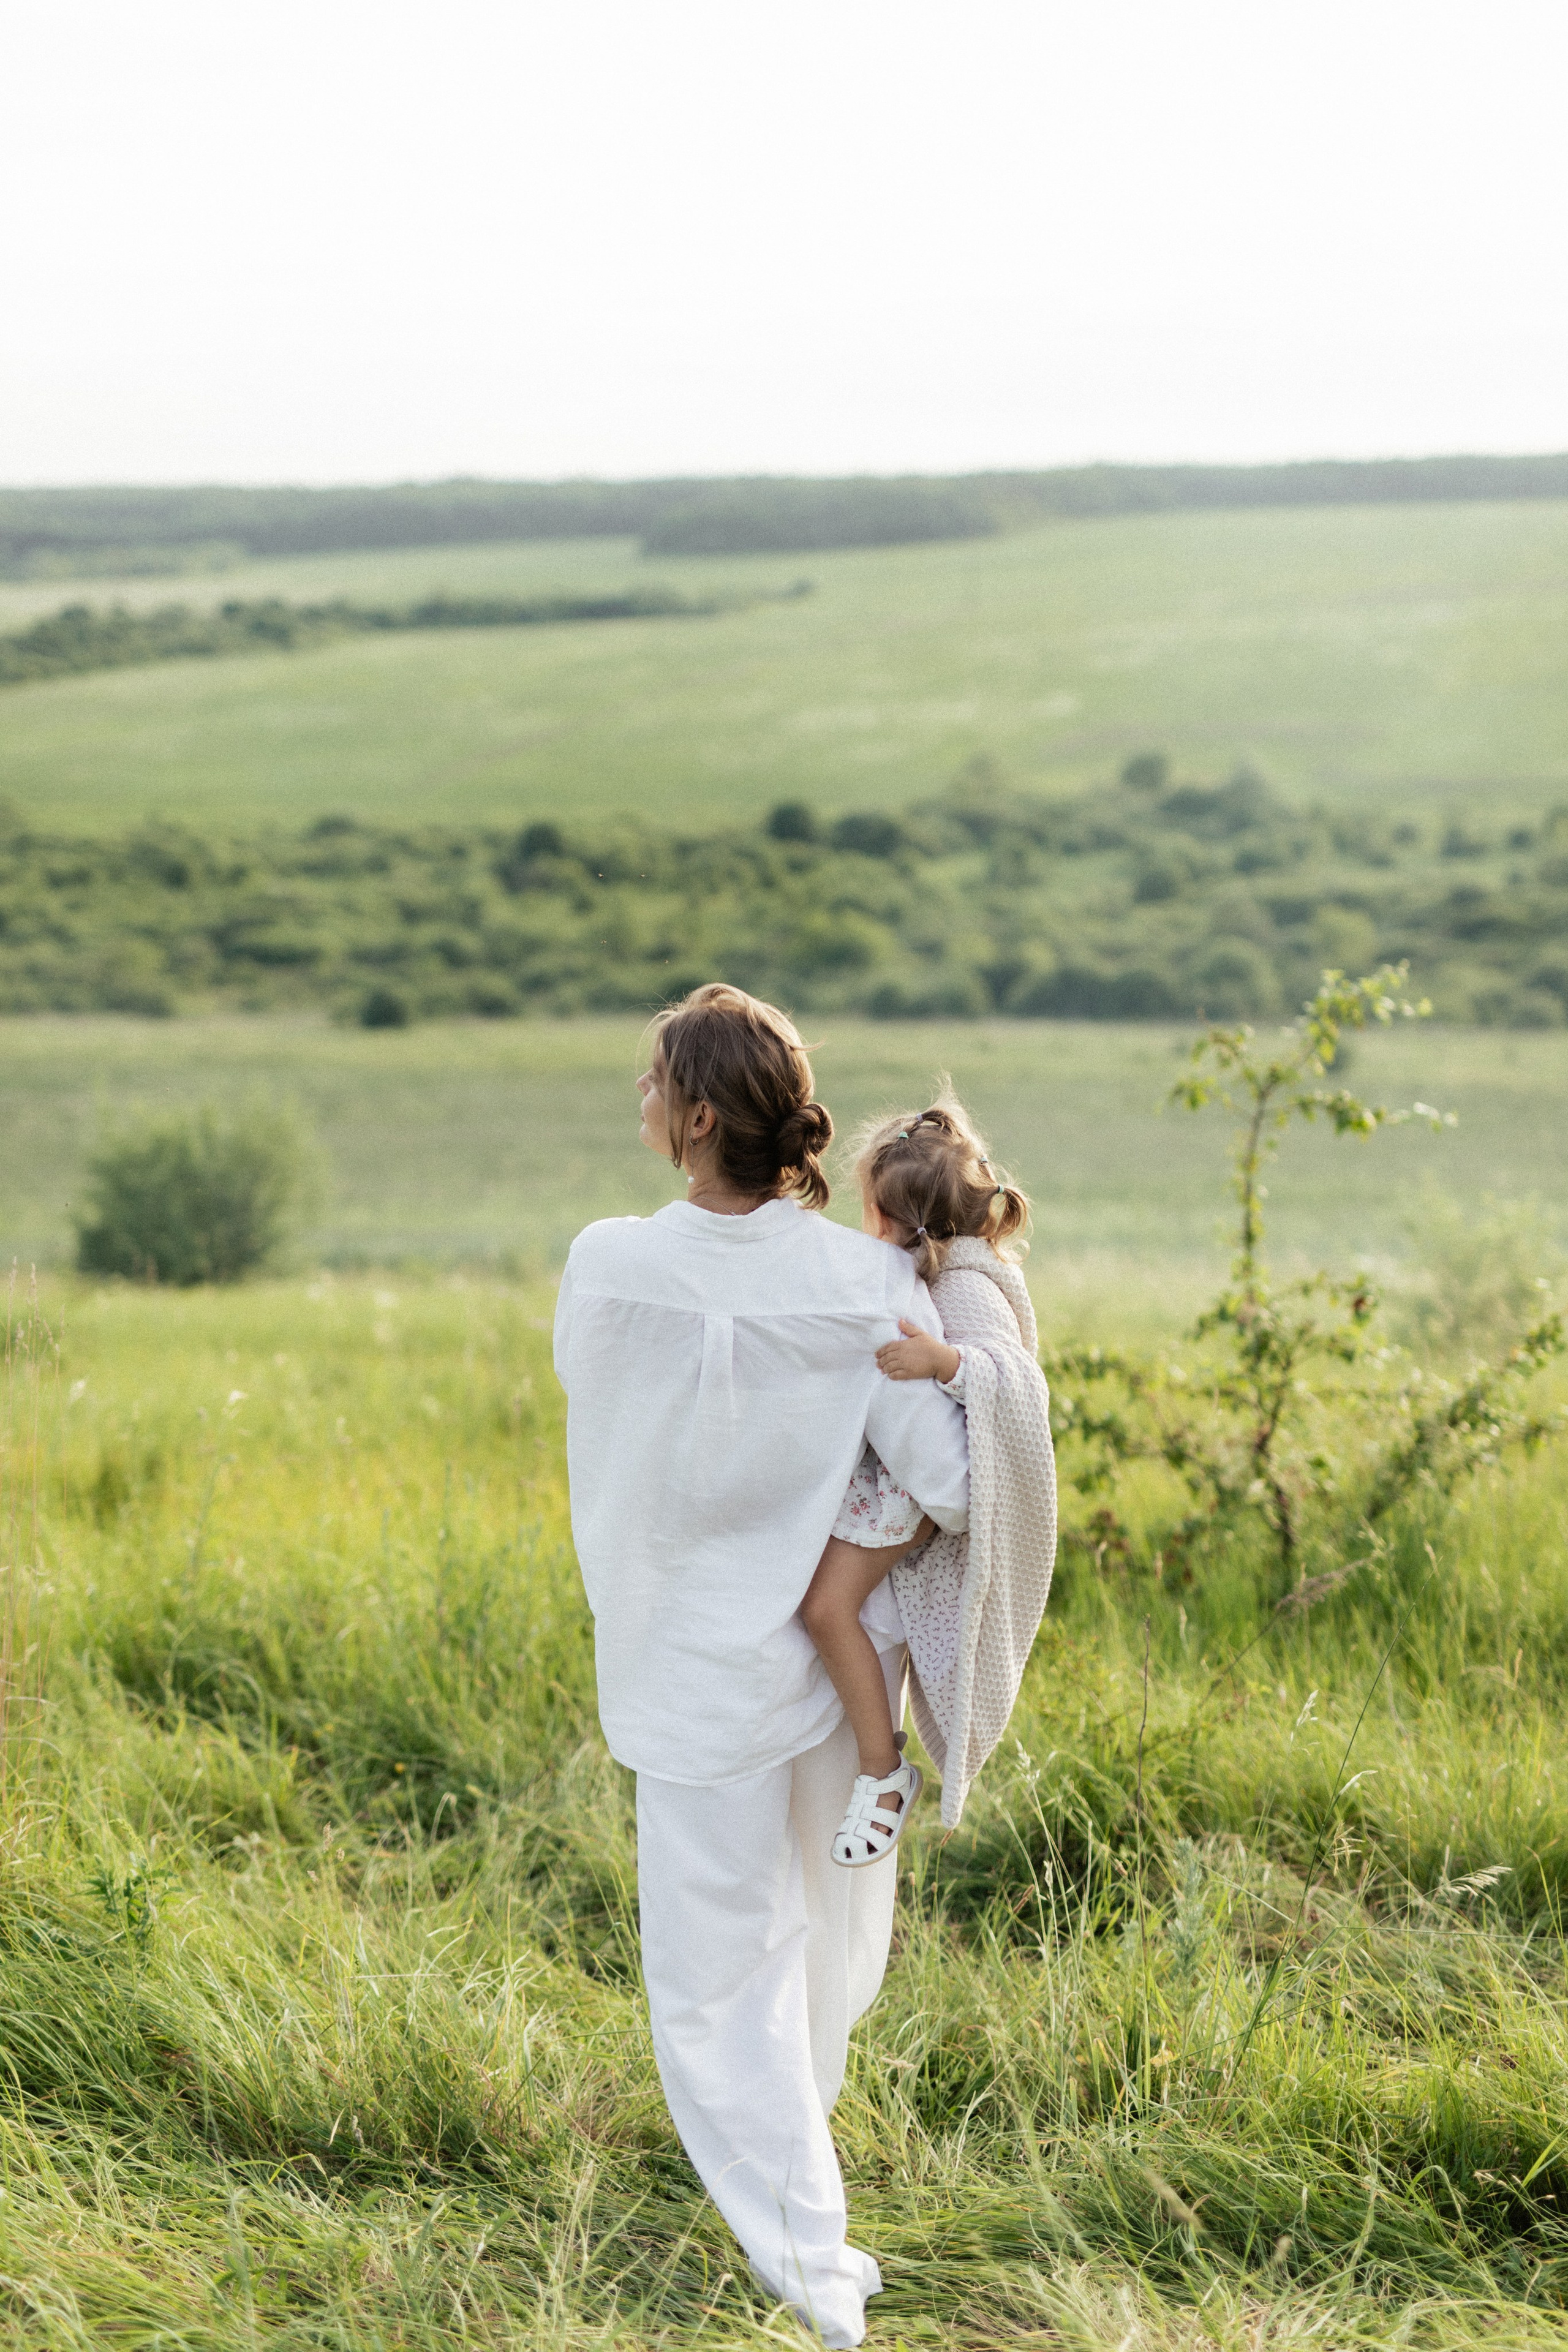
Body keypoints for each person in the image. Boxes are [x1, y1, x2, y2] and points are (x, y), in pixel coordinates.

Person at [552, 983, 970, 2348]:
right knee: (813, 1951)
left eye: (652, 1081)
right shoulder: (863, 1282)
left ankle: (812, 2266)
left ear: (695, 1120)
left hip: (689, 1676)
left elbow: (605, 1409)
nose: (638, 1097)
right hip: (826, 1677)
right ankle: (807, 2212)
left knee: (715, 1979)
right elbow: (954, 1484)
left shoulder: (608, 1264)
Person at [801, 1100, 1057, 1855]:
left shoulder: (965, 1287)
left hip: (909, 1496)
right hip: (901, 1485)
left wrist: (944, 1362)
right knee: (827, 1606)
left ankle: (884, 1771)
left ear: (895, 1221)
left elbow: (1019, 1383)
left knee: (827, 1609)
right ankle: (878, 1761)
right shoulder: (935, 1273)